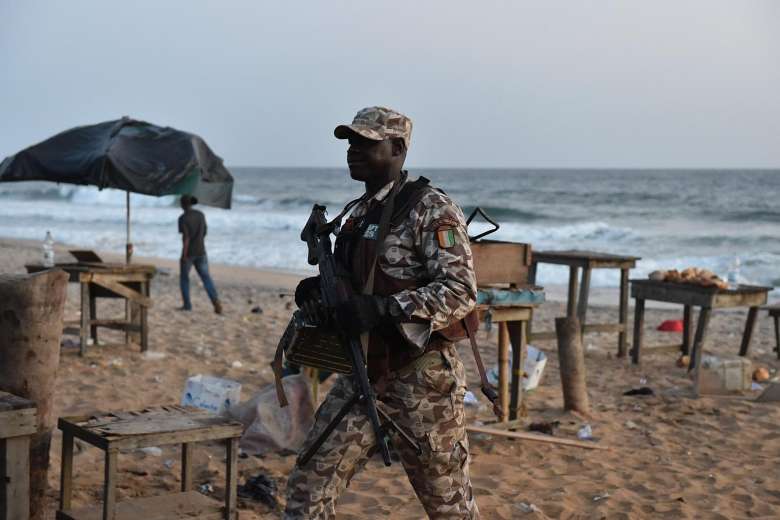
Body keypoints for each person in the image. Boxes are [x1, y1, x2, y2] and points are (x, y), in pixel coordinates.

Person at [285, 107, 479, 519]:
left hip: (421, 382)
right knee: (308, 487)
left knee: (449, 506)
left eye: (366, 143)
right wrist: (318, 292)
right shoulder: (357, 212)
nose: (354, 150)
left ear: (398, 148)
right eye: (351, 142)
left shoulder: (430, 208)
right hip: (362, 377)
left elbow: (461, 291)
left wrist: (384, 308)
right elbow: (356, 285)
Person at [178, 194, 222, 314]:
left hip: (189, 253)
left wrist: (183, 255)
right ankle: (215, 301)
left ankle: (187, 305)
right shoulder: (200, 215)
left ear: (182, 204)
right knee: (206, 277)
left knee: (184, 278)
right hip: (201, 251)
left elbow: (186, 238)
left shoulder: (183, 218)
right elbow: (204, 232)